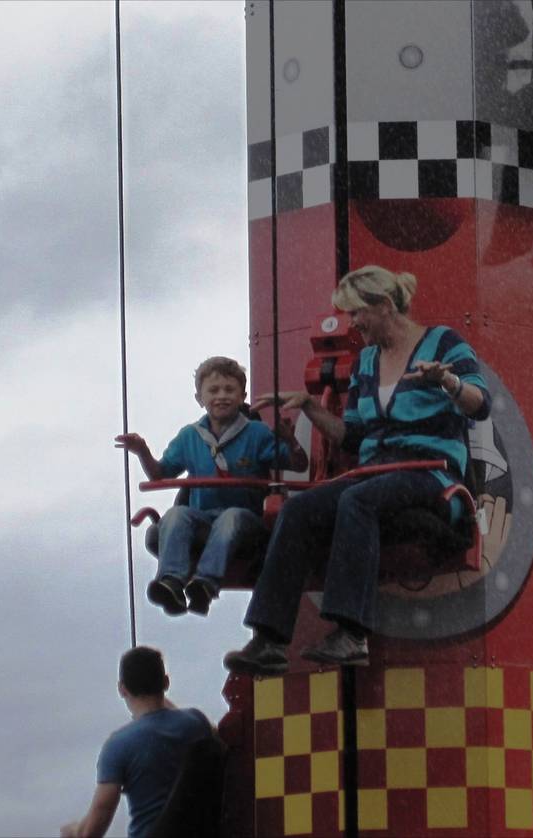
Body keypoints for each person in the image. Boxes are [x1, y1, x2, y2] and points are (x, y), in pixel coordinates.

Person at [223, 265, 491, 673]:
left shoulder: (443, 343)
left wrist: (448, 383)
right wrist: (311, 408)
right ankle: (270, 639)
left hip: (432, 475)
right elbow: (353, 436)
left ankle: (351, 634)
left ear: (383, 306)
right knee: (299, 509)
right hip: (375, 471)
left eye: (356, 314)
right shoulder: (367, 362)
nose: (353, 324)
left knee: (357, 500)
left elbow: (481, 403)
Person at [115, 356, 307, 617]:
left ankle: (205, 582)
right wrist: (142, 451)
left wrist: (290, 440)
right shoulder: (189, 436)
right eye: (214, 390)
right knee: (175, 515)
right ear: (200, 398)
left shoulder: (257, 434)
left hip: (247, 519)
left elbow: (298, 464)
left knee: (230, 518)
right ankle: (171, 580)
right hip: (203, 516)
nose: (222, 396)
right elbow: (160, 474)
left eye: (229, 390)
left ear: (242, 396)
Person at [60, 647, 212, 838]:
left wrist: (73, 831)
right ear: (166, 682)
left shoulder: (118, 746)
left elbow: (91, 830)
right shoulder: (197, 723)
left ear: (122, 689)